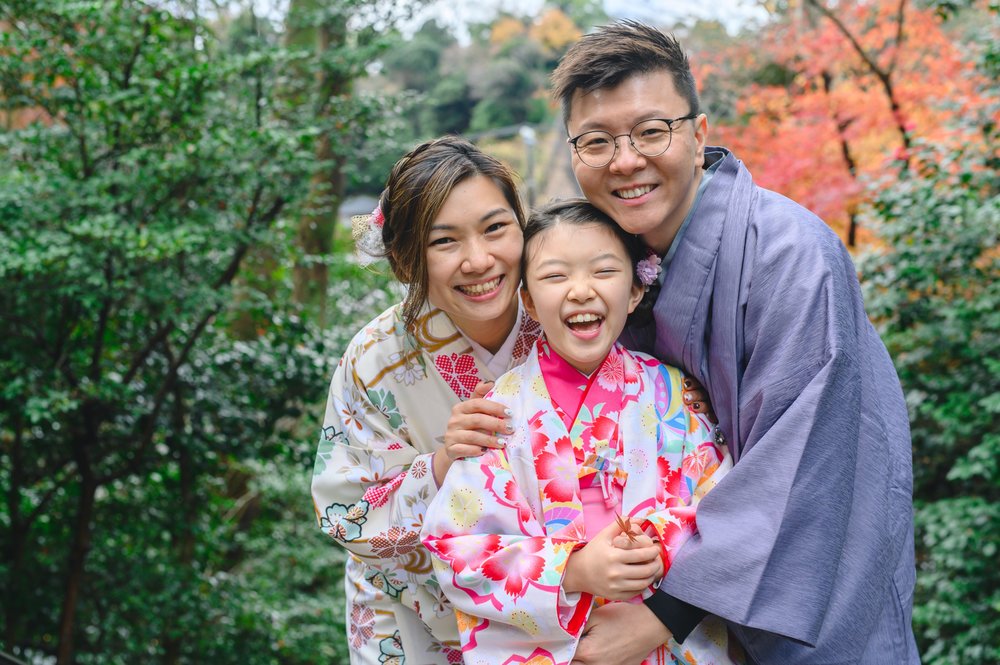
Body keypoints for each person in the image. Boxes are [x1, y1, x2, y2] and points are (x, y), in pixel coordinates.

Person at [447, 21, 917, 665]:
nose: (626, 160)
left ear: (698, 136)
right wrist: (465, 439)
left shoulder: (790, 255)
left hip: (810, 587)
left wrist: (662, 615)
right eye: (597, 141)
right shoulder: (621, 260)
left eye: (650, 131)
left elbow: (795, 466)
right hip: (676, 616)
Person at [311, 135, 715, 663]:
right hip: (422, 618)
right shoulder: (375, 361)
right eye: (444, 241)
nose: (479, 259)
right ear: (408, 259)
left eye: (496, 228)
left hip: (609, 619)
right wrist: (440, 465)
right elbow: (346, 515)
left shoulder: (564, 308)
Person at [422, 199, 741, 665]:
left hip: (658, 636)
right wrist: (572, 569)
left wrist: (656, 552)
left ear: (635, 291)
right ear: (528, 300)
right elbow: (457, 550)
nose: (580, 291)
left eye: (603, 271)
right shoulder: (499, 411)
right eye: (555, 276)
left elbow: (725, 508)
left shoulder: (676, 395)